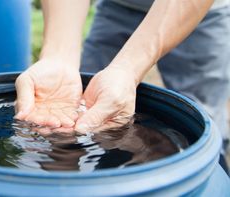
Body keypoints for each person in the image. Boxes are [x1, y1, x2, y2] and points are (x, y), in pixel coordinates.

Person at [14, 0, 230, 171]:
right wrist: (58, 56)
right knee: (88, 105)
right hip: (117, 6)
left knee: (200, 127)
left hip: (197, 13)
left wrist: (127, 69)